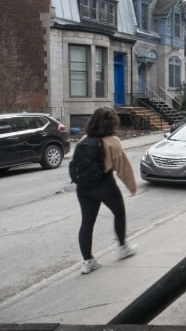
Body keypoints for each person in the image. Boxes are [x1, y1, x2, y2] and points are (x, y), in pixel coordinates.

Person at [75, 107, 137, 274]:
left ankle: (88, 261)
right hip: (104, 184)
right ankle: (123, 247)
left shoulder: (84, 139)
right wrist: (131, 187)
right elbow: (123, 168)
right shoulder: (113, 141)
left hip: (83, 187)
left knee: (87, 223)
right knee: (119, 213)